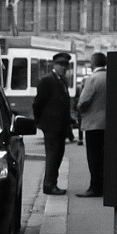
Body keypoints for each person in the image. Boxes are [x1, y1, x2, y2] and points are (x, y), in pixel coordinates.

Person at [32, 51, 74, 196]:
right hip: (51, 126)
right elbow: (38, 103)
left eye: (65, 65)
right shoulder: (47, 81)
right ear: (54, 65)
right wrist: (40, 121)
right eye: (60, 64)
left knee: (58, 155)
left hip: (60, 125)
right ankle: (49, 185)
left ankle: (52, 183)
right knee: (53, 155)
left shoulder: (62, 81)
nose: (63, 68)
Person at [74, 51, 107, 197]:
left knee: (93, 158)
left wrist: (80, 109)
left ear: (93, 63)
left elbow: (83, 101)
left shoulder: (93, 79)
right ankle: (105, 185)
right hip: (108, 124)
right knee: (104, 157)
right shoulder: (110, 77)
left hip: (93, 124)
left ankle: (95, 187)